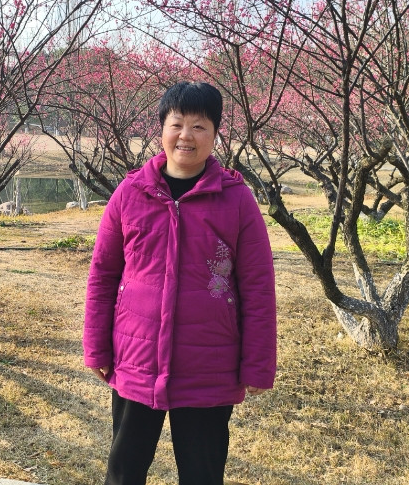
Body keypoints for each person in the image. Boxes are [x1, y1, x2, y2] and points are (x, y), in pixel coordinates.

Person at [83, 81, 277, 485]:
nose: (186, 136)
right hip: (136, 359)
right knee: (124, 471)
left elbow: (258, 286)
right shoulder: (130, 193)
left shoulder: (236, 200)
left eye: (199, 126)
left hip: (210, 365)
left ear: (215, 133)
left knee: (202, 474)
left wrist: (258, 364)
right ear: (162, 129)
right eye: (177, 124)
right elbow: (103, 274)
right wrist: (96, 346)